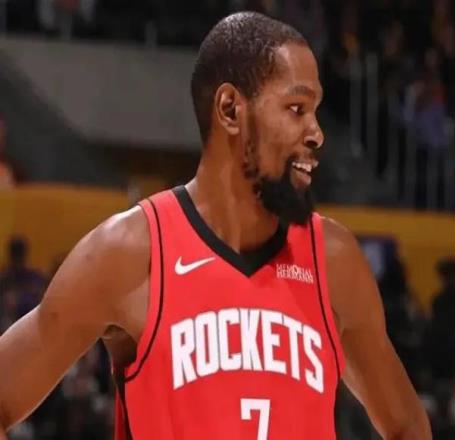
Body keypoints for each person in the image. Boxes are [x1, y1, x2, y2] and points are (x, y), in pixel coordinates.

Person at [0, 12, 431, 439]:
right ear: (229, 109)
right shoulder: (130, 252)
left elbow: (407, 426)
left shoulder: (332, 260)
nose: (316, 132)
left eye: (315, 111)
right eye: (296, 108)